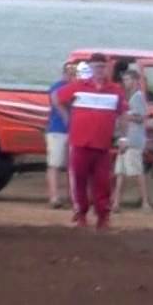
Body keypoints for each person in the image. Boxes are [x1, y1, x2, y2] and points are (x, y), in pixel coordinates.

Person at [56, 54, 126, 229]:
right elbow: (57, 98)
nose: (99, 70)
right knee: (78, 180)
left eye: (102, 67)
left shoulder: (115, 90)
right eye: (96, 67)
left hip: (102, 145)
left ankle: (103, 216)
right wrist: (67, 118)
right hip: (80, 143)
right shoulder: (78, 87)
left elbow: (123, 114)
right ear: (91, 68)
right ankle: (80, 214)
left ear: (107, 68)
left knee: (103, 182)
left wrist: (124, 137)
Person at [113, 69, 152, 213]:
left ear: (135, 81)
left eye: (128, 79)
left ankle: (145, 202)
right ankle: (116, 203)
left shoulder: (137, 97)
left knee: (135, 172)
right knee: (121, 172)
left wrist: (126, 117)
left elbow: (141, 118)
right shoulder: (131, 97)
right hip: (126, 139)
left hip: (133, 139)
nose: (125, 82)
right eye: (125, 80)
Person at [45, 62, 77, 209]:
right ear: (64, 73)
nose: (71, 75)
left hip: (71, 131)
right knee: (55, 164)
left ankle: (71, 196)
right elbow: (56, 100)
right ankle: (54, 197)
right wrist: (66, 117)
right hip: (57, 130)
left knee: (71, 165)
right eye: (69, 72)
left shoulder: (75, 88)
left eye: (73, 72)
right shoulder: (58, 87)